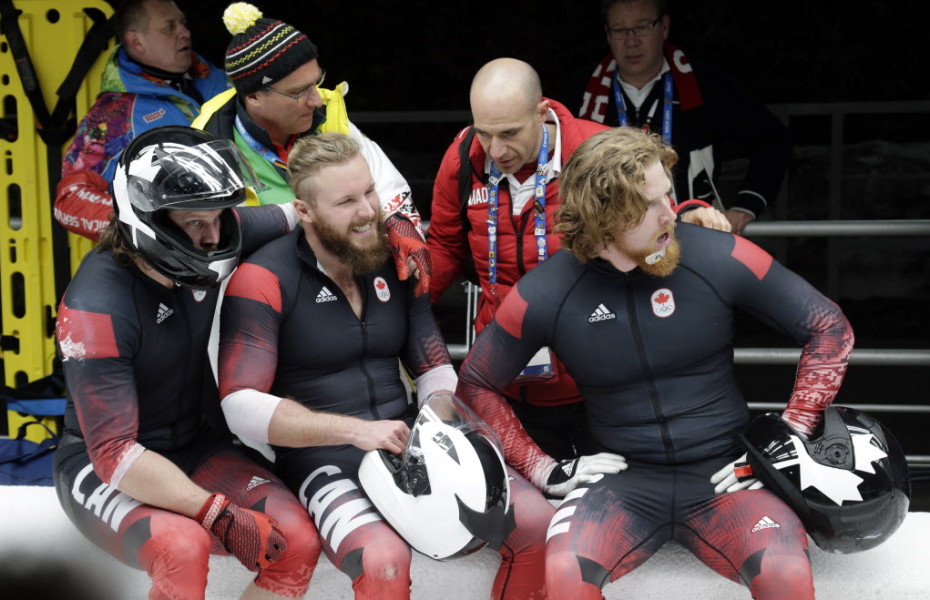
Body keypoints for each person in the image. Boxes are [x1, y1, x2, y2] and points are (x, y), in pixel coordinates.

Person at [456, 127, 855, 599]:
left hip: (726, 474)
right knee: (563, 572)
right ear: (604, 217)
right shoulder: (546, 292)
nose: (670, 213)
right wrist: (544, 468)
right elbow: (476, 383)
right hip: (622, 483)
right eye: (649, 205)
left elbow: (830, 326)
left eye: (668, 194)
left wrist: (788, 435)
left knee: (787, 575)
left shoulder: (715, 255)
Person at [217, 132, 553, 600]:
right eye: (347, 201)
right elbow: (239, 404)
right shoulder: (263, 278)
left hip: (408, 441)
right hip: (322, 457)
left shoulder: (394, 257)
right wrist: (356, 432)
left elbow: (432, 362)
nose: (369, 211)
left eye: (370, 192)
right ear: (305, 211)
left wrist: (441, 421)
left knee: (536, 522)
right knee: (383, 560)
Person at [53, 126, 320, 600]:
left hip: (195, 445)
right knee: (183, 546)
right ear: (149, 220)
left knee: (293, 540)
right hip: (104, 465)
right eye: (196, 223)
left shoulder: (211, 231)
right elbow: (115, 454)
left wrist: (389, 224)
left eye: (219, 217)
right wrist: (216, 511)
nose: (213, 236)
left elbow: (300, 213)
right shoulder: (94, 307)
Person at [427, 57, 729, 460]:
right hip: (506, 379)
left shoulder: (595, 151)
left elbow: (655, 220)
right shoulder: (463, 158)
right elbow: (444, 248)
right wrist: (397, 308)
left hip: (597, 380)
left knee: (609, 500)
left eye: (509, 133)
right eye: (485, 133)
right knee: (523, 507)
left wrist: (690, 213)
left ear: (540, 111)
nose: (496, 150)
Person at [194, 2, 430, 295]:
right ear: (253, 96)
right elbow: (216, 238)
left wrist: (401, 223)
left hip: (343, 288)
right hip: (261, 299)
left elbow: (387, 184)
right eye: (298, 92)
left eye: (316, 81)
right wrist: (315, 215)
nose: (317, 100)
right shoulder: (205, 148)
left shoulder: (329, 115)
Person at [578, 0, 793, 234]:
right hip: (611, 240)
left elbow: (773, 139)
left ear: (664, 27)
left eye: (642, 27)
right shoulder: (582, 93)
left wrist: (746, 205)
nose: (631, 41)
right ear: (608, 34)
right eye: (620, 30)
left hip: (694, 233)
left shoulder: (705, 85)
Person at [54, 0, 229, 241]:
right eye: (169, 27)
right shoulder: (113, 116)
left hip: (250, 228)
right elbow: (71, 199)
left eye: (183, 24)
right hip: (191, 254)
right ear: (137, 41)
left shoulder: (221, 79)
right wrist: (147, 230)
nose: (185, 32)